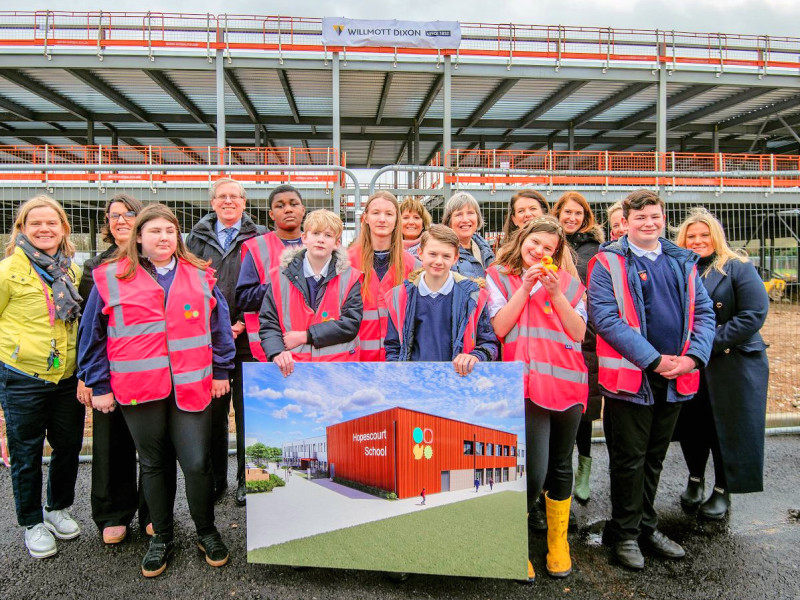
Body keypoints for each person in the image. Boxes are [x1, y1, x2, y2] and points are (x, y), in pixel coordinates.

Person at [79, 204, 236, 577]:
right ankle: (161, 537)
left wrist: (222, 370)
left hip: (191, 384)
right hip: (139, 389)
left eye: (170, 230)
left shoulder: (200, 274)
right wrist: (99, 384)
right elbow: (92, 338)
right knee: (153, 464)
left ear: (177, 236)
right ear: (138, 237)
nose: (163, 237)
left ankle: (206, 530)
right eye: (154, 231)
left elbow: (219, 327)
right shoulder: (109, 277)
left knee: (197, 463)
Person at [587, 189, 715, 571]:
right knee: (629, 459)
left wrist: (693, 358)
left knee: (655, 458)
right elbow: (605, 319)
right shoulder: (606, 262)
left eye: (655, 216)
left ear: (663, 218)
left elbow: (704, 312)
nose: (649, 223)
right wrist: (654, 360)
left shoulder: (681, 262)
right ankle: (624, 533)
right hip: (632, 378)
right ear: (625, 221)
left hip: (676, 376)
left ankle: (645, 526)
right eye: (640, 217)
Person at [487, 216, 588, 580]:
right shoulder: (498, 276)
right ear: (522, 239)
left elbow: (578, 332)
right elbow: (499, 328)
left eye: (548, 248)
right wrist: (525, 288)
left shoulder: (571, 285)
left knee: (562, 465)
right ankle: (518, 541)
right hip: (525, 385)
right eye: (535, 244)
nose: (539, 252)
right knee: (533, 470)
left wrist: (556, 292)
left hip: (568, 383)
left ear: (556, 253)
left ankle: (558, 544)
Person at [0, 195, 84, 559]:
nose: (44, 229)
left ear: (64, 228)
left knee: (68, 446)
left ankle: (57, 507)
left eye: (52, 223)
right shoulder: (7, 271)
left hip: (66, 375)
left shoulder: (71, 270)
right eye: (35, 223)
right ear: (22, 229)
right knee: (27, 451)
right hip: (22, 375)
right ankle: (32, 521)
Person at [674, 208, 769, 520]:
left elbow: (753, 314)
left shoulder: (737, 266)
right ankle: (695, 479)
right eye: (691, 236)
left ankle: (723, 489)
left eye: (704, 235)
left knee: (726, 428)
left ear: (716, 237)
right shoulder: (679, 269)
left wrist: (705, 344)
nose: (698, 241)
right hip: (694, 365)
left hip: (732, 362)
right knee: (692, 426)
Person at [76, 193, 153, 545]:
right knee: (111, 444)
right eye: (114, 216)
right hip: (111, 373)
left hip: (150, 372)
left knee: (154, 448)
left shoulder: (156, 263)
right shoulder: (97, 269)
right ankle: (113, 513)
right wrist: (90, 377)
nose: (120, 220)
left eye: (128, 214)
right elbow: (87, 328)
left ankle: (154, 512)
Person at [187, 178, 266, 507]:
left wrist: (239, 323)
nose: (229, 201)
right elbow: (190, 284)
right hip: (210, 339)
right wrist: (216, 326)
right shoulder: (196, 237)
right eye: (222, 197)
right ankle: (216, 479)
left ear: (245, 202)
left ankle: (250, 479)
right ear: (213, 202)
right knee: (213, 413)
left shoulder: (259, 236)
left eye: (235, 196)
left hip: (249, 336)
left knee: (251, 412)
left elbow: (266, 285)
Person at [258, 210, 363, 375]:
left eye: (328, 235)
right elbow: (268, 322)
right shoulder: (280, 277)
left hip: (338, 370)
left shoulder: (350, 277)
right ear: (304, 237)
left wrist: (305, 336)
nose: (321, 239)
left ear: (337, 243)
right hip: (293, 368)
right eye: (316, 233)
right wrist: (277, 352)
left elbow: (350, 324)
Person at [384, 224, 498, 371]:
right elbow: (392, 347)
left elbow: (489, 344)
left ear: (455, 258)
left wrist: (475, 356)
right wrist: (399, 372)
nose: (439, 261)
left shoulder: (474, 297)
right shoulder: (400, 297)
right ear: (420, 253)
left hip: (457, 383)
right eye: (432, 254)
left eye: (446, 256)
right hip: (415, 384)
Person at [553, 191, 604, 504]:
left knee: (584, 405)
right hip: (552, 332)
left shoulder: (595, 249)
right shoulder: (551, 242)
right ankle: (560, 470)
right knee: (559, 406)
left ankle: (584, 466)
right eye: (566, 212)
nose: (572, 218)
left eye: (578, 214)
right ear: (557, 213)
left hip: (585, 334)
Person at [236, 184, 306, 362]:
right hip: (268, 351)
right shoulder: (256, 247)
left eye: (293, 204)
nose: (288, 209)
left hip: (311, 346)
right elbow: (244, 298)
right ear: (271, 214)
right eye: (280, 205)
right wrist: (283, 287)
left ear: (303, 210)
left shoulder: (321, 245)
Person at [348, 191, 417, 362]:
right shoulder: (346, 263)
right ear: (365, 218)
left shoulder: (414, 266)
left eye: (389, 214)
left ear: (396, 220)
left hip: (397, 362)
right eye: (376, 213)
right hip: (356, 362)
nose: (382, 219)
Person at [442, 192, 495, 278]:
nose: (465, 219)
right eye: (459, 214)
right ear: (449, 221)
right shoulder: (443, 252)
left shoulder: (485, 248)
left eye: (470, 213)